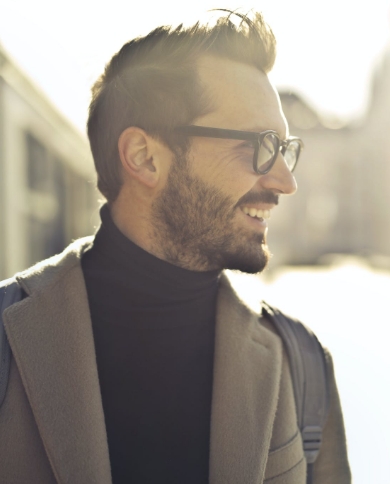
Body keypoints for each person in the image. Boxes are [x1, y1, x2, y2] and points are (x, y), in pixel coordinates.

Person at [0, 10, 351, 484]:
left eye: (285, 148)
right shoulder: (8, 343)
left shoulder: (303, 363)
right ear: (145, 158)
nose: (286, 182)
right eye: (259, 144)